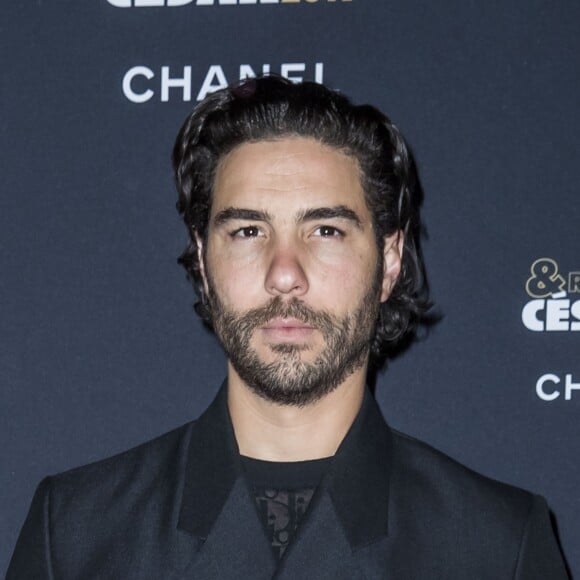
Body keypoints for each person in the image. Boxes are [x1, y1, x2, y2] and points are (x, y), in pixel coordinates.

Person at [7, 76, 568, 579]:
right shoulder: (77, 533)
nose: (284, 274)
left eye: (325, 230)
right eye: (248, 231)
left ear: (389, 262)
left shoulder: (496, 545)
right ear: (204, 263)